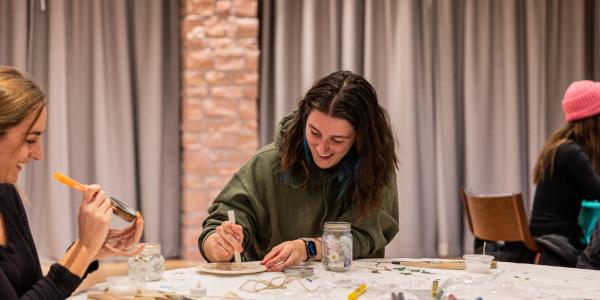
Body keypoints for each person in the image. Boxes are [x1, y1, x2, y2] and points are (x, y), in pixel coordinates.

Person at [198, 70, 399, 271]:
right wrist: (218, 246)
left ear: (360, 137)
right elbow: (219, 222)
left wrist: (308, 248)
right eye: (314, 133)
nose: (321, 149)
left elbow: (365, 235)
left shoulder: (376, 166)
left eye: (337, 140)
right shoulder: (267, 163)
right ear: (304, 120)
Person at [0, 67, 144, 299]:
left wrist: (89, 249)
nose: (39, 154)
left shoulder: (6, 193)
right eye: (30, 140)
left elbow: (35, 290)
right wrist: (84, 248)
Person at [530, 80, 600, 267]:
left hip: (545, 234)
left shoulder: (559, 145)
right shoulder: (570, 152)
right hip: (557, 241)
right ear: (594, 119)